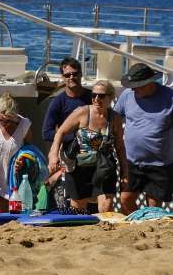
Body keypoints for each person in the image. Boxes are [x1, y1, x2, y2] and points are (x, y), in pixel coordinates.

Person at [49, 79, 126, 213]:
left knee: (106, 207)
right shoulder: (82, 113)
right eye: (93, 95)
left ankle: (105, 232)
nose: (96, 99)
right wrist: (53, 154)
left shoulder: (115, 119)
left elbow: (119, 147)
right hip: (80, 167)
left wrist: (125, 172)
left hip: (104, 167)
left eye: (101, 96)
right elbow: (60, 132)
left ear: (111, 97)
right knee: (78, 210)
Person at [115, 63, 173, 213]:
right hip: (132, 162)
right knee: (125, 199)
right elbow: (114, 119)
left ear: (150, 82)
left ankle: (147, 233)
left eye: (137, 85)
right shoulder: (127, 95)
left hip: (159, 164)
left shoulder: (169, 97)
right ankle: (138, 224)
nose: (133, 88)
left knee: (153, 207)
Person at [42, 57, 91, 143]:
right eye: (67, 75)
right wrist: (73, 138)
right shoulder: (58, 102)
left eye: (75, 74)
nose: (71, 77)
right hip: (69, 149)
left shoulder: (94, 97)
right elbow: (46, 133)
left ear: (81, 74)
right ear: (63, 77)